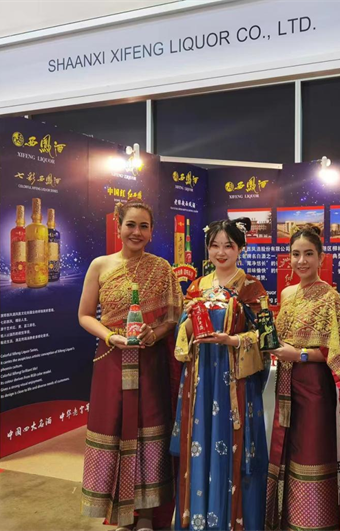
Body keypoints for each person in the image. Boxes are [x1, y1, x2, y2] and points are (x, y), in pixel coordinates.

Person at [79, 200, 183, 531]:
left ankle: (148, 515)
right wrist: (112, 337)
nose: (137, 232)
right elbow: (85, 315)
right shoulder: (100, 265)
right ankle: (121, 512)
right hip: (111, 360)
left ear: (151, 232)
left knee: (148, 430)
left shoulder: (162, 268)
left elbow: (173, 317)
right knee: (114, 428)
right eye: (131, 225)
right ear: (118, 227)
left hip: (150, 362)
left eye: (144, 226)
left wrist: (156, 333)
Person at [171, 218, 269, 531]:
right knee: (199, 443)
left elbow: (266, 339)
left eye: (229, 245)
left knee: (234, 448)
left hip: (235, 382)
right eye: (215, 245)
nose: (221, 252)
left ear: (241, 249)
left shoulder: (252, 287)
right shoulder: (196, 286)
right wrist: (188, 320)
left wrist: (234, 340)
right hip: (200, 380)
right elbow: (183, 336)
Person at [265, 226, 340, 531]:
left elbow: (338, 351)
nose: (301, 261)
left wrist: (299, 355)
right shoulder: (287, 294)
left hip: (314, 388)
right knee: (285, 451)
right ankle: (287, 522)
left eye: (309, 254)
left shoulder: (329, 298)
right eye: (296, 254)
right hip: (286, 385)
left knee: (311, 452)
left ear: (321, 258)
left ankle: (313, 524)